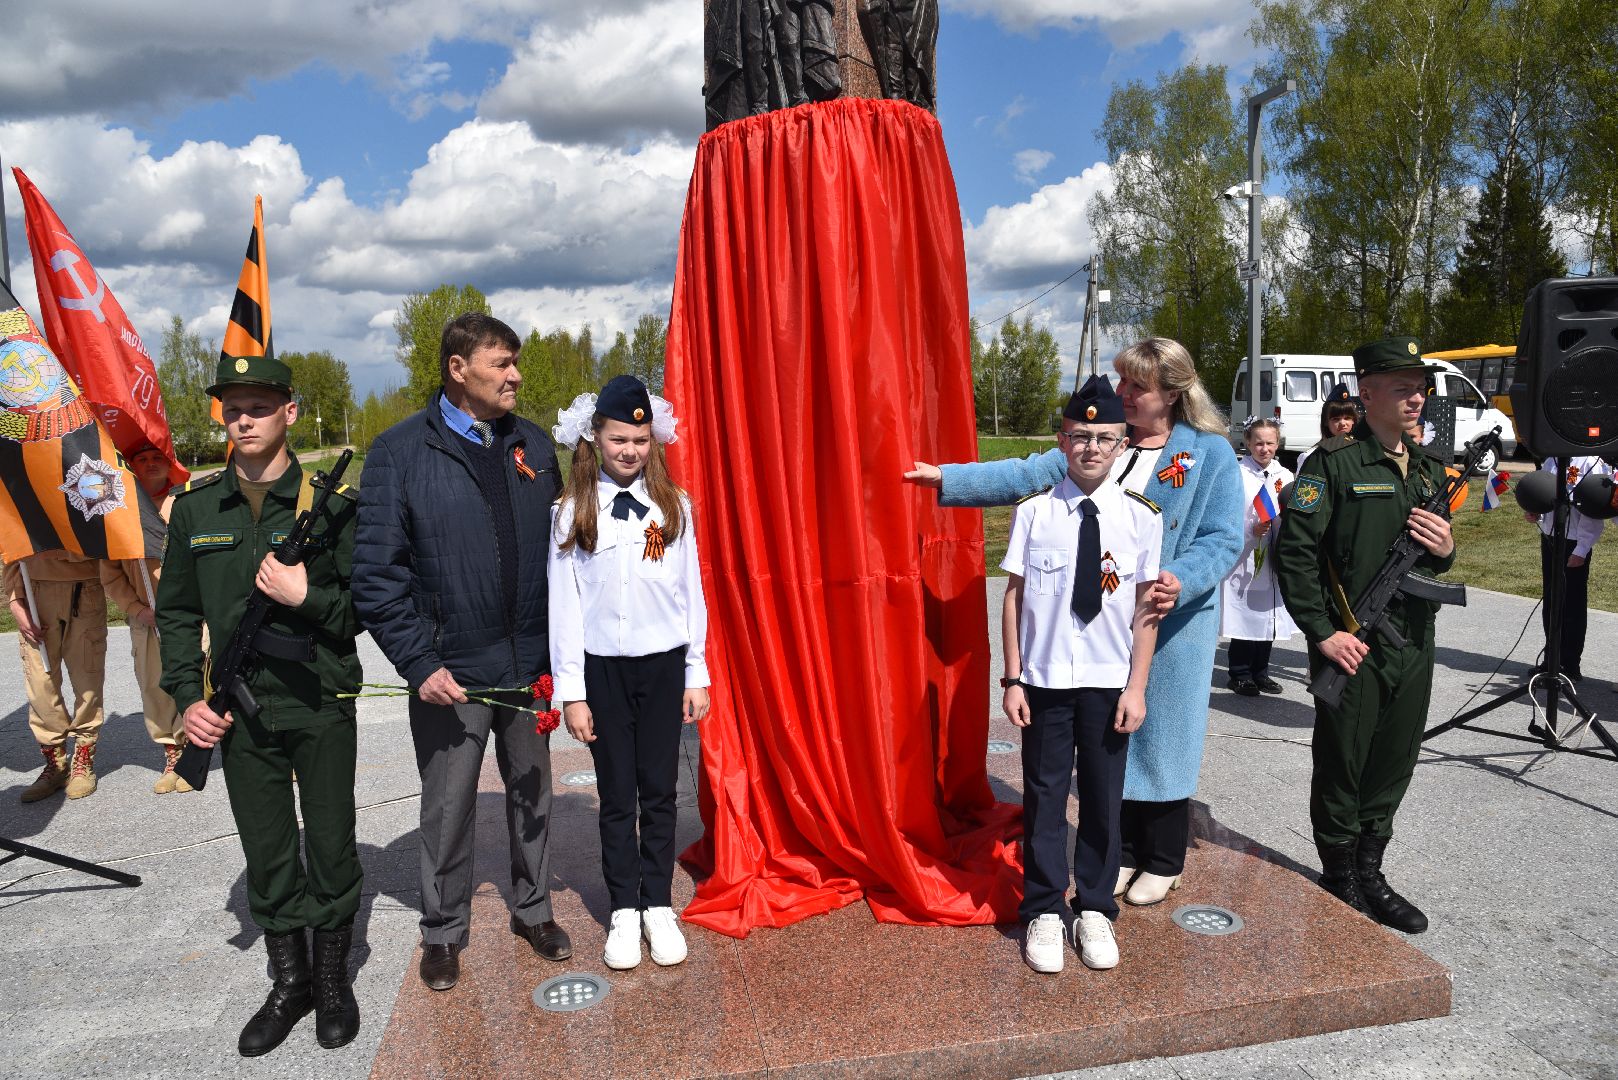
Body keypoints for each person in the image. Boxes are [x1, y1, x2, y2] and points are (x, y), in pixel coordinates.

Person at [905, 337, 1243, 908]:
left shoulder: (1206, 454)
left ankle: (1162, 855)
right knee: (1111, 744)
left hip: (1169, 617)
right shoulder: (1106, 438)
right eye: (1122, 381)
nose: (1123, 394)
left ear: (1173, 394)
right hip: (1098, 623)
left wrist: (1180, 577)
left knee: (1162, 740)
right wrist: (947, 478)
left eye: (1137, 385)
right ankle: (1119, 853)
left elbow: (1224, 537)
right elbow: (1024, 473)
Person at [353, 313, 570, 993]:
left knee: (533, 792)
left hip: (530, 664)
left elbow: (565, 560)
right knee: (448, 805)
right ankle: (443, 930)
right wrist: (420, 663)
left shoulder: (532, 444)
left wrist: (566, 657)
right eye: (502, 363)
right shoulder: (398, 453)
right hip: (452, 671)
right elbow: (377, 575)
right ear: (458, 368)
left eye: (515, 363)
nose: (516, 376)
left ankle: (532, 909)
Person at [157, 354, 363, 1054]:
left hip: (319, 697)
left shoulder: (330, 508)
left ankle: (334, 980)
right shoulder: (197, 507)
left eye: (260, 406)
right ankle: (291, 982)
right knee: (268, 848)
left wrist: (310, 599)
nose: (243, 419)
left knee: (331, 841)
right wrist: (189, 698)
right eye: (233, 408)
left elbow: (364, 606)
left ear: (290, 415)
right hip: (237, 711)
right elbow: (177, 614)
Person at [1274, 336, 1456, 935]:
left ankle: (1372, 869)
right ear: (1368, 391)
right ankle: (1340, 873)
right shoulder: (1330, 465)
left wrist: (1447, 550)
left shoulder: (1430, 470)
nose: (1417, 398)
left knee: (1396, 757)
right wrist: (1323, 634)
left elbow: (1432, 560)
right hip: (1354, 641)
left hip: (1415, 642)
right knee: (1343, 759)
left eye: (1420, 388)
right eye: (1403, 387)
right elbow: (1294, 556)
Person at [548, 375, 711, 970]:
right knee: (617, 794)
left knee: (661, 791)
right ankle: (623, 908)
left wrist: (697, 672)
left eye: (641, 440)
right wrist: (572, 692)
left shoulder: (673, 507)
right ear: (596, 437)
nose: (630, 451)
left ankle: (657, 903)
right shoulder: (572, 512)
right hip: (604, 675)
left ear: (653, 440)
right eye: (619, 439)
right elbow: (562, 607)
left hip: (664, 667)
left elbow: (692, 595)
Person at [1001, 375, 1161, 975]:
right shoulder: (1036, 513)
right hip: (1044, 681)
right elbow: (1015, 599)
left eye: (1104, 437)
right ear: (1062, 440)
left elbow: (1145, 608)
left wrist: (1137, 686)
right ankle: (1043, 906)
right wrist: (1012, 678)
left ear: (1123, 444)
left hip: (1107, 681)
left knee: (1102, 795)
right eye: (1079, 435)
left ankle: (1093, 906)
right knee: (1043, 796)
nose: (1091, 447)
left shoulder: (1142, 518)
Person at [100, 444, 191, 793]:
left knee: (200, 680)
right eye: (142, 459)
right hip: (147, 616)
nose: (151, 464)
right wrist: (138, 610)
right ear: (130, 467)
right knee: (155, 685)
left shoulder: (186, 504)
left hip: (191, 615)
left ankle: (196, 747)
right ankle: (173, 753)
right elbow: (109, 572)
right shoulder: (117, 511)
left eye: (158, 458)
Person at [6, 548, 107, 801]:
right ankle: (56, 764)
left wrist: (57, 553)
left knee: (87, 679)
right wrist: (16, 603)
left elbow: (102, 539)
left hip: (84, 589)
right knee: (40, 685)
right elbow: (10, 545)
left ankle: (83, 761)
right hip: (35, 590)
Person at [1222, 417, 1298, 696]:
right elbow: (1228, 512)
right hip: (1246, 552)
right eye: (1258, 443)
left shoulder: (1285, 476)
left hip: (1274, 552)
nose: (1264, 448)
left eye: (1269, 443)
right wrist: (1250, 528)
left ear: (1278, 444)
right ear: (1248, 443)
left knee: (1269, 614)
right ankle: (1240, 672)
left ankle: (1261, 671)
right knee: (1245, 613)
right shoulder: (1237, 473)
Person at [1524, 455, 1610, 683]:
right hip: (1551, 536)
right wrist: (1535, 512)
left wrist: (1582, 549)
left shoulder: (1590, 461)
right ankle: (1551, 659)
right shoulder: (1552, 459)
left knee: (1572, 603)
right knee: (1551, 599)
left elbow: (1593, 509)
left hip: (1574, 541)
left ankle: (1571, 663)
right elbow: (1543, 493)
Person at [1296, 383, 1358, 472]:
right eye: (1336, 419)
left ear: (1353, 421)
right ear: (1326, 422)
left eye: (1347, 418)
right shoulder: (1313, 456)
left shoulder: (1361, 450)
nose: (1342, 423)